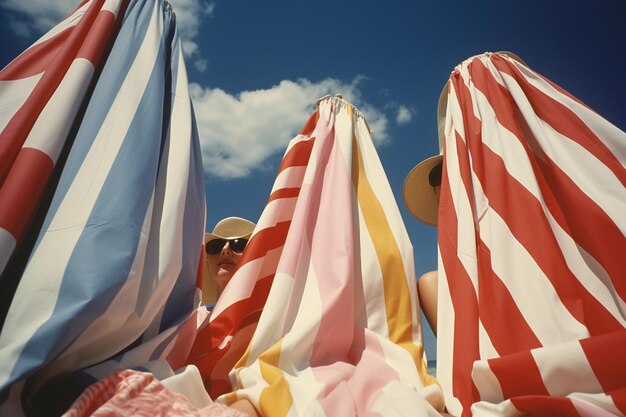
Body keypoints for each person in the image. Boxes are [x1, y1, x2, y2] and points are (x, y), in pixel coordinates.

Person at [201, 216, 256, 305]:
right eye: (216, 246)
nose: (225, 250)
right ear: (208, 261)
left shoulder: (275, 317)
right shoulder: (193, 318)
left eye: (238, 245)